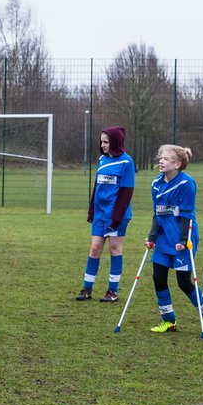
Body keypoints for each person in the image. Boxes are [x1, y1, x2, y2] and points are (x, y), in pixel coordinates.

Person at [146, 144, 203, 335]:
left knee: (183, 282)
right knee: (158, 278)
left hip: (182, 238)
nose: (161, 161)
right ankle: (168, 320)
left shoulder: (187, 184)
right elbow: (157, 213)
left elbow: (186, 215)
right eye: (160, 157)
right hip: (163, 239)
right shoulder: (156, 183)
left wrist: (183, 239)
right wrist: (152, 236)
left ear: (177, 164)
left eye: (166, 158)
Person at [75, 126, 135, 302]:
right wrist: (91, 210)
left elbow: (126, 193)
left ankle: (112, 291)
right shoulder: (102, 160)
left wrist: (116, 219)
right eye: (102, 142)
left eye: (106, 142)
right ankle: (87, 289)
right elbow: (97, 186)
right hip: (100, 214)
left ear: (116, 142)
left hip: (117, 215)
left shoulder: (127, 162)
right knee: (95, 249)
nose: (103, 145)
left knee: (114, 249)